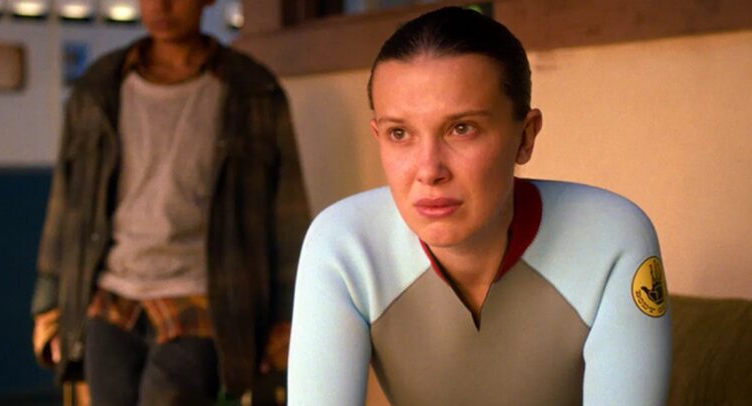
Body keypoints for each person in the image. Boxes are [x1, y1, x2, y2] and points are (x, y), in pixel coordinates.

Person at [288, 6, 671, 405]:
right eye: (399, 133)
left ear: (526, 137)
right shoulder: (344, 244)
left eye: (462, 128)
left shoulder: (610, 238)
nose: (429, 170)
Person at [30, 0, 310, 403]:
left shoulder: (252, 91)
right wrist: (49, 301)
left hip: (203, 295)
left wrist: (287, 313)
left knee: (169, 393)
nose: (161, 5)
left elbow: (287, 211)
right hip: (111, 292)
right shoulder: (99, 86)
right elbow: (68, 199)